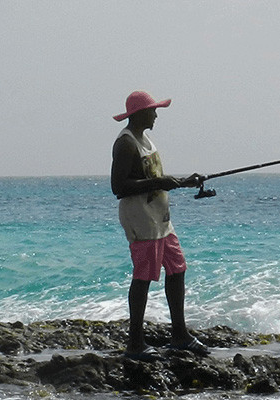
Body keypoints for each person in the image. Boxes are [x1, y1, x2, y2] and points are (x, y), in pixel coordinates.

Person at [109, 90, 209, 359]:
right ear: (140, 113)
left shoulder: (146, 140)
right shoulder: (126, 143)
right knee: (143, 277)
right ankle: (135, 344)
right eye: (153, 111)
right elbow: (118, 187)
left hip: (160, 219)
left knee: (177, 270)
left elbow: (154, 176)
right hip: (140, 220)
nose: (156, 115)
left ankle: (179, 335)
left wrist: (184, 182)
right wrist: (160, 183)